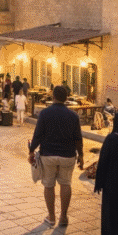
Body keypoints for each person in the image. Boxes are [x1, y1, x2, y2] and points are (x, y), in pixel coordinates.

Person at [28, 85, 83, 227]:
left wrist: (31, 150)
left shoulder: (45, 113)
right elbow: (78, 138)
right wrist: (81, 155)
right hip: (68, 155)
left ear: (53, 97)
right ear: (66, 98)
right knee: (66, 183)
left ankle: (51, 216)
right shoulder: (73, 116)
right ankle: (63, 217)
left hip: (48, 154)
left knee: (49, 185)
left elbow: (38, 134)